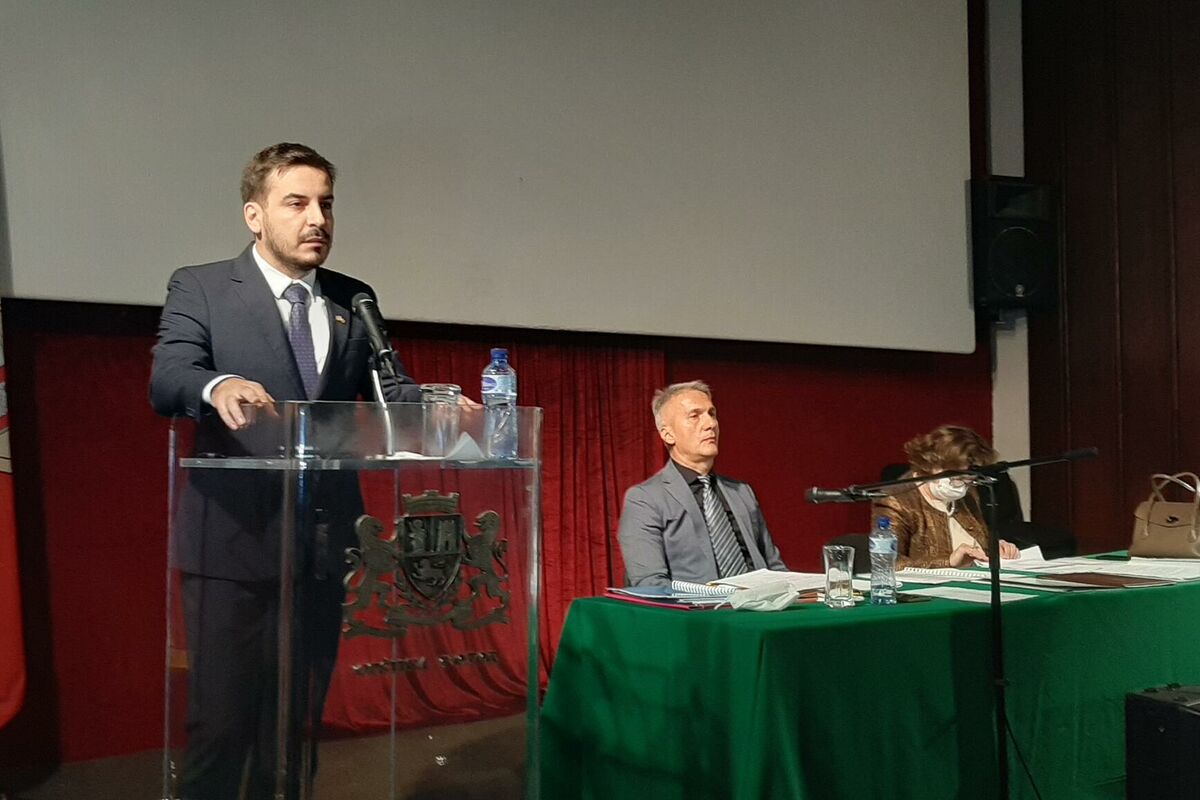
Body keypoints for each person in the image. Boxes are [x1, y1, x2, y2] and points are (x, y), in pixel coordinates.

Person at [149, 143, 424, 799]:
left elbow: (391, 392)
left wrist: (445, 407)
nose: (317, 219)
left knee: (295, 730)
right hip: (232, 545)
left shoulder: (354, 298)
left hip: (320, 548)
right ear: (255, 215)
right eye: (296, 203)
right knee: (221, 728)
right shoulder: (202, 287)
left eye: (326, 204)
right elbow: (169, 375)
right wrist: (217, 384)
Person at [617, 380, 788, 587]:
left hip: (760, 602)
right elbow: (650, 584)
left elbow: (774, 567)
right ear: (668, 434)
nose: (710, 424)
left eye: (711, 414)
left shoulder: (742, 492)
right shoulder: (645, 499)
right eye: (694, 416)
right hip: (698, 606)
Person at [871, 425, 1021, 569]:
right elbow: (887, 563)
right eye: (957, 478)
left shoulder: (968, 492)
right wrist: (948, 562)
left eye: (969, 479)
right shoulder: (893, 501)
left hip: (978, 577)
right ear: (932, 465)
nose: (963, 486)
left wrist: (996, 547)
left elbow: (980, 542)